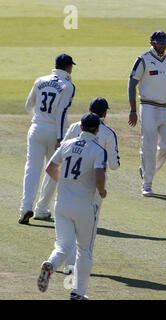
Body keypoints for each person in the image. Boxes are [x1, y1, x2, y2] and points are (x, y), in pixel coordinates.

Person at [37, 113, 107, 300]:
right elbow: (99, 176)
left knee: (63, 246)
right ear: (97, 129)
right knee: (85, 250)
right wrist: (101, 191)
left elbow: (50, 168)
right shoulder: (98, 149)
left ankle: (51, 264)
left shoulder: (67, 145)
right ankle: (78, 293)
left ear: (81, 128)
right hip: (84, 205)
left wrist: (65, 183)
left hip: (62, 203)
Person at [61, 97, 120, 275]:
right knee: (88, 230)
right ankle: (80, 267)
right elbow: (114, 165)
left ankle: (67, 264)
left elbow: (61, 153)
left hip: (69, 182)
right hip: (94, 185)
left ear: (89, 108)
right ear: (105, 113)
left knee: (69, 226)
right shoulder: (108, 133)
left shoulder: (74, 127)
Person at [19, 54, 76, 224]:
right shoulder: (68, 85)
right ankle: (42, 209)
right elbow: (61, 112)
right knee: (52, 169)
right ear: (67, 67)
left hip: (36, 128)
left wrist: (39, 118)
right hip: (54, 131)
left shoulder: (40, 80)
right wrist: (60, 137)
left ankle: (25, 208)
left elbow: (29, 105)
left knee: (32, 170)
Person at [128, 30, 166, 197]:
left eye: (164, 42)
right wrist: (133, 110)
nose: (162, 45)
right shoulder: (143, 59)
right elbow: (131, 85)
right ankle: (147, 183)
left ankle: (146, 170)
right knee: (148, 145)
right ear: (152, 43)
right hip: (148, 106)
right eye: (159, 43)